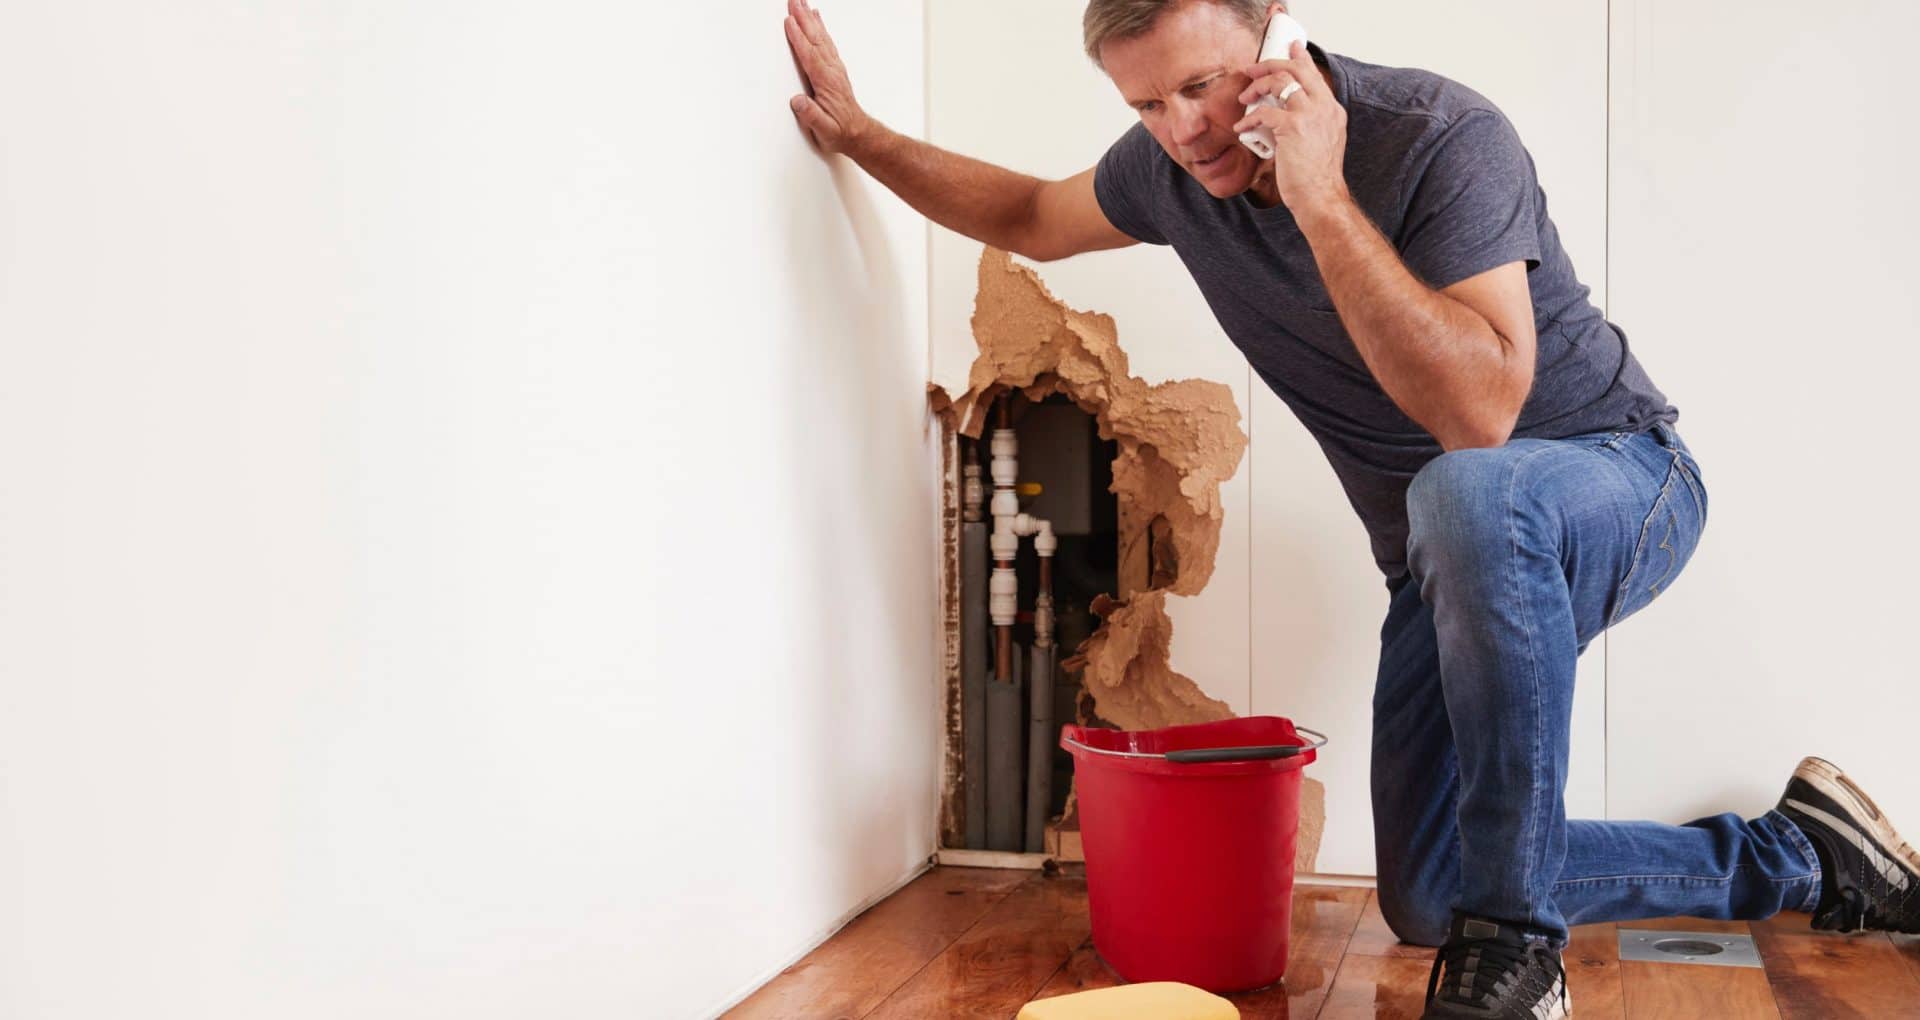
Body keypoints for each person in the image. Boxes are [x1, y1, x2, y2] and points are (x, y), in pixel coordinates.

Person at [783, 0, 1920, 1015]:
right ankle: (1802, 859)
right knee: (1429, 893)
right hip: (1443, 546)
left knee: (1468, 489)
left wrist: (1319, 191)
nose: (1183, 130)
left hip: (1618, 477)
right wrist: (860, 133)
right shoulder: (1169, 170)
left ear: (1275, 31)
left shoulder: (1437, 136)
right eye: (1146, 102)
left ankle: (1518, 954)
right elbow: (1032, 212)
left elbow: (1481, 415)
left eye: (1201, 85)